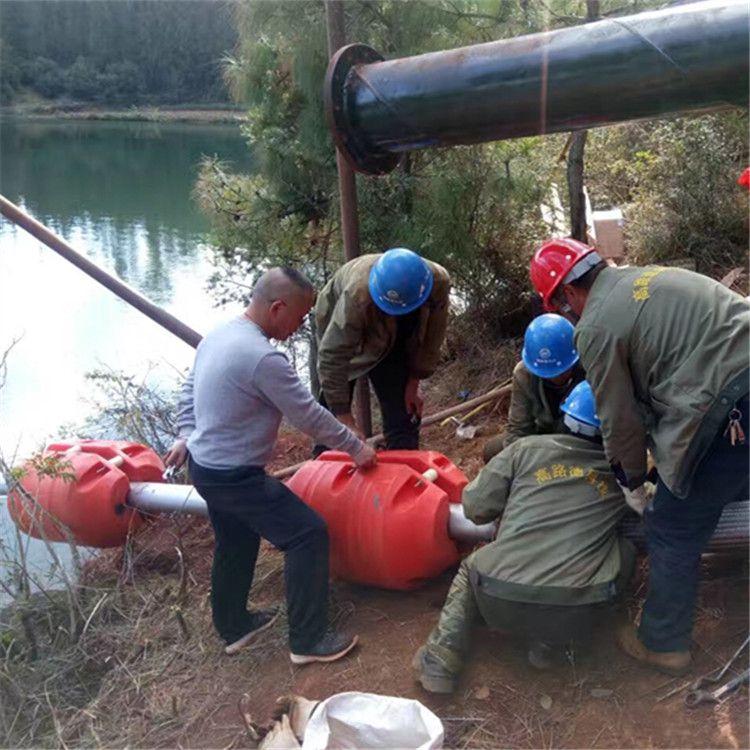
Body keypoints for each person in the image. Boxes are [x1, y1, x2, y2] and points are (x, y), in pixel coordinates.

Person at [530, 237, 749, 675]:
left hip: (729, 402)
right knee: (730, 479)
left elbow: (619, 418)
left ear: (567, 295)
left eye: (561, 307)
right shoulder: (646, 277)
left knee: (671, 523)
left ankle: (663, 642)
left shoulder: (594, 325)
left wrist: (632, 480)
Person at [164, 267, 377, 664]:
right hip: (234, 475)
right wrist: (356, 449)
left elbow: (187, 390)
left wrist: (185, 434)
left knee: (236, 540)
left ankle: (235, 629)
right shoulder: (263, 358)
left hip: (205, 468)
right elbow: (308, 416)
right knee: (307, 534)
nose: (298, 327)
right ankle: (308, 640)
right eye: (298, 317)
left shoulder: (220, 335)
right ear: (277, 307)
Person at [413, 381, 631, 694]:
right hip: (581, 605)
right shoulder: (623, 471)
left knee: (471, 568)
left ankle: (440, 661)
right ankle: (551, 644)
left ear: (564, 414)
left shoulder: (525, 450)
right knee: (623, 551)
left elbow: (474, 507)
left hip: (501, 596)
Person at [314, 248, 450, 450]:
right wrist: (344, 418)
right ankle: (327, 468)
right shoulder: (357, 294)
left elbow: (433, 335)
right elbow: (332, 356)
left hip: (395, 338)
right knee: (331, 428)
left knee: (404, 417)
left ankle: (403, 469)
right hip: (340, 331)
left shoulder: (437, 282)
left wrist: (414, 380)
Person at [482, 312, 585, 463]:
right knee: (493, 450)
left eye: (562, 372)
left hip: (579, 436)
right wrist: (521, 467)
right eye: (548, 374)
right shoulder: (524, 374)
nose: (556, 378)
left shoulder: (588, 366)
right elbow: (518, 429)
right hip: (543, 434)